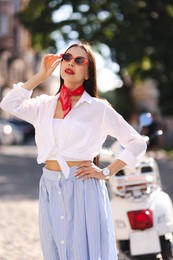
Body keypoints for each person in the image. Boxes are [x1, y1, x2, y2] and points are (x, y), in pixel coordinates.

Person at [0, 41, 146, 260]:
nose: (71, 63)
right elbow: (9, 104)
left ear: (88, 72)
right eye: (66, 58)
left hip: (83, 186)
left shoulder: (98, 108)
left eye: (79, 60)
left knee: (84, 252)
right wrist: (41, 76)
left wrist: (106, 172)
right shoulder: (44, 104)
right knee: (55, 250)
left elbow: (137, 142)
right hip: (49, 184)